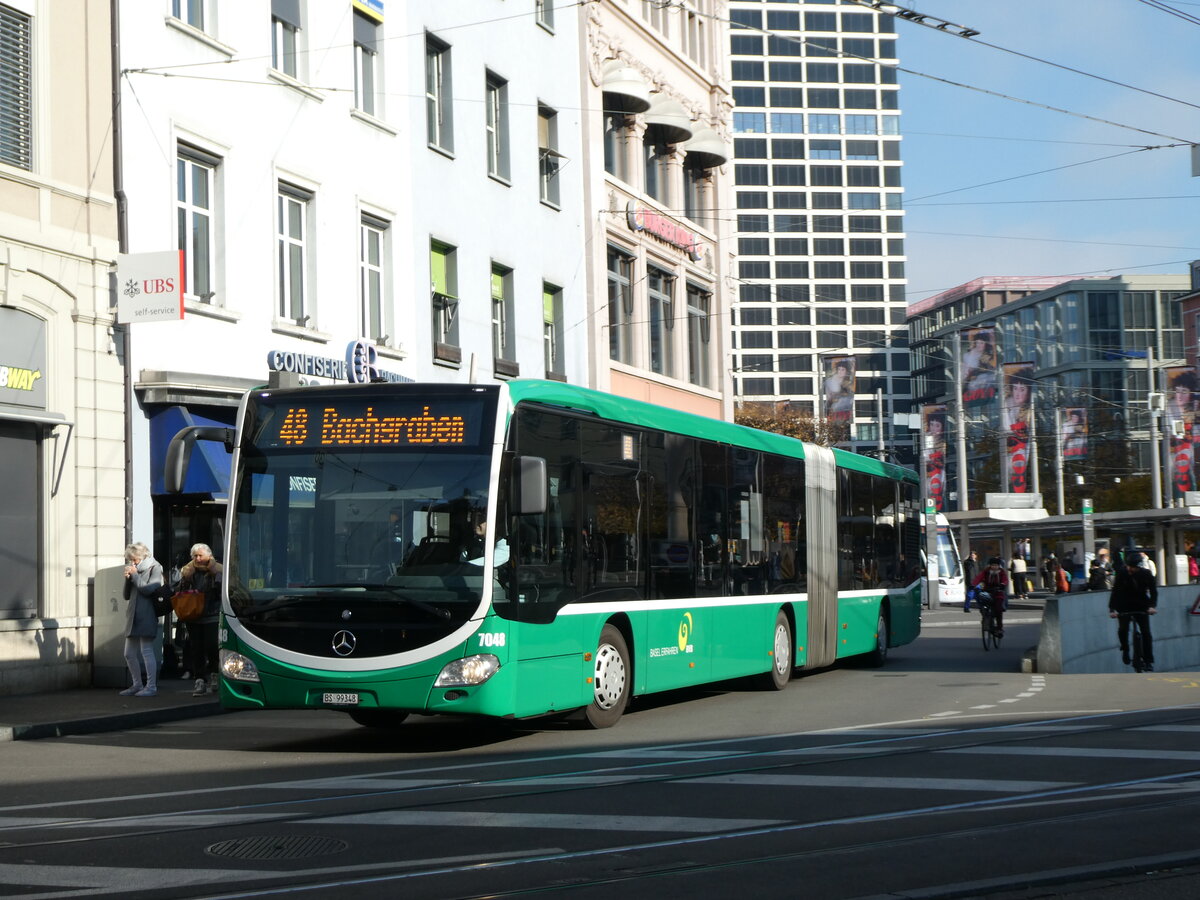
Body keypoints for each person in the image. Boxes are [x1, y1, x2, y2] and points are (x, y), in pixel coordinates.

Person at [178, 542, 223, 697]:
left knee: (212, 646)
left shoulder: (218, 570)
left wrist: (214, 578)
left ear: (209, 556)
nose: (197, 559)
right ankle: (200, 680)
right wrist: (186, 579)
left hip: (212, 614)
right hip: (194, 615)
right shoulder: (187, 571)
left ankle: (215, 675)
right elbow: (180, 592)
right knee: (196, 648)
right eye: (195, 556)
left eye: (200, 555)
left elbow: (222, 592)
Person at [121, 542, 164, 697]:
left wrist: (135, 576)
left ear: (142, 556)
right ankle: (137, 684)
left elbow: (148, 589)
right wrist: (128, 579)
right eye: (130, 560)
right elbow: (126, 595)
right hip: (133, 614)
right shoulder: (134, 571)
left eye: (135, 560)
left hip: (147, 613)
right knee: (129, 653)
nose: (133, 563)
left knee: (146, 650)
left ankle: (151, 686)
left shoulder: (155, 567)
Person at [1108, 552, 1157, 670]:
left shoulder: (1146, 574)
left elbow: (1153, 591)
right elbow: (1115, 592)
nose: (1129, 569)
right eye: (1128, 566)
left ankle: (1148, 660)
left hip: (1141, 605)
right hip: (1124, 605)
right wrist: (1112, 609)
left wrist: (1152, 606)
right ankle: (1125, 648)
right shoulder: (1122, 573)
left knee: (1146, 633)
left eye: (1132, 567)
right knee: (1123, 629)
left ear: (1138, 566)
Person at [971, 556, 1009, 636]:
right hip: (987, 591)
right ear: (990, 565)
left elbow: (1005, 580)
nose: (994, 567)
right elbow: (978, 578)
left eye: (996, 565)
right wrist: (973, 584)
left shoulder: (1002, 572)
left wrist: (1003, 584)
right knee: (982, 604)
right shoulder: (986, 572)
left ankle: (999, 628)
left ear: (999, 566)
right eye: (992, 565)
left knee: (998, 609)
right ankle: (986, 619)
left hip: (998, 592)